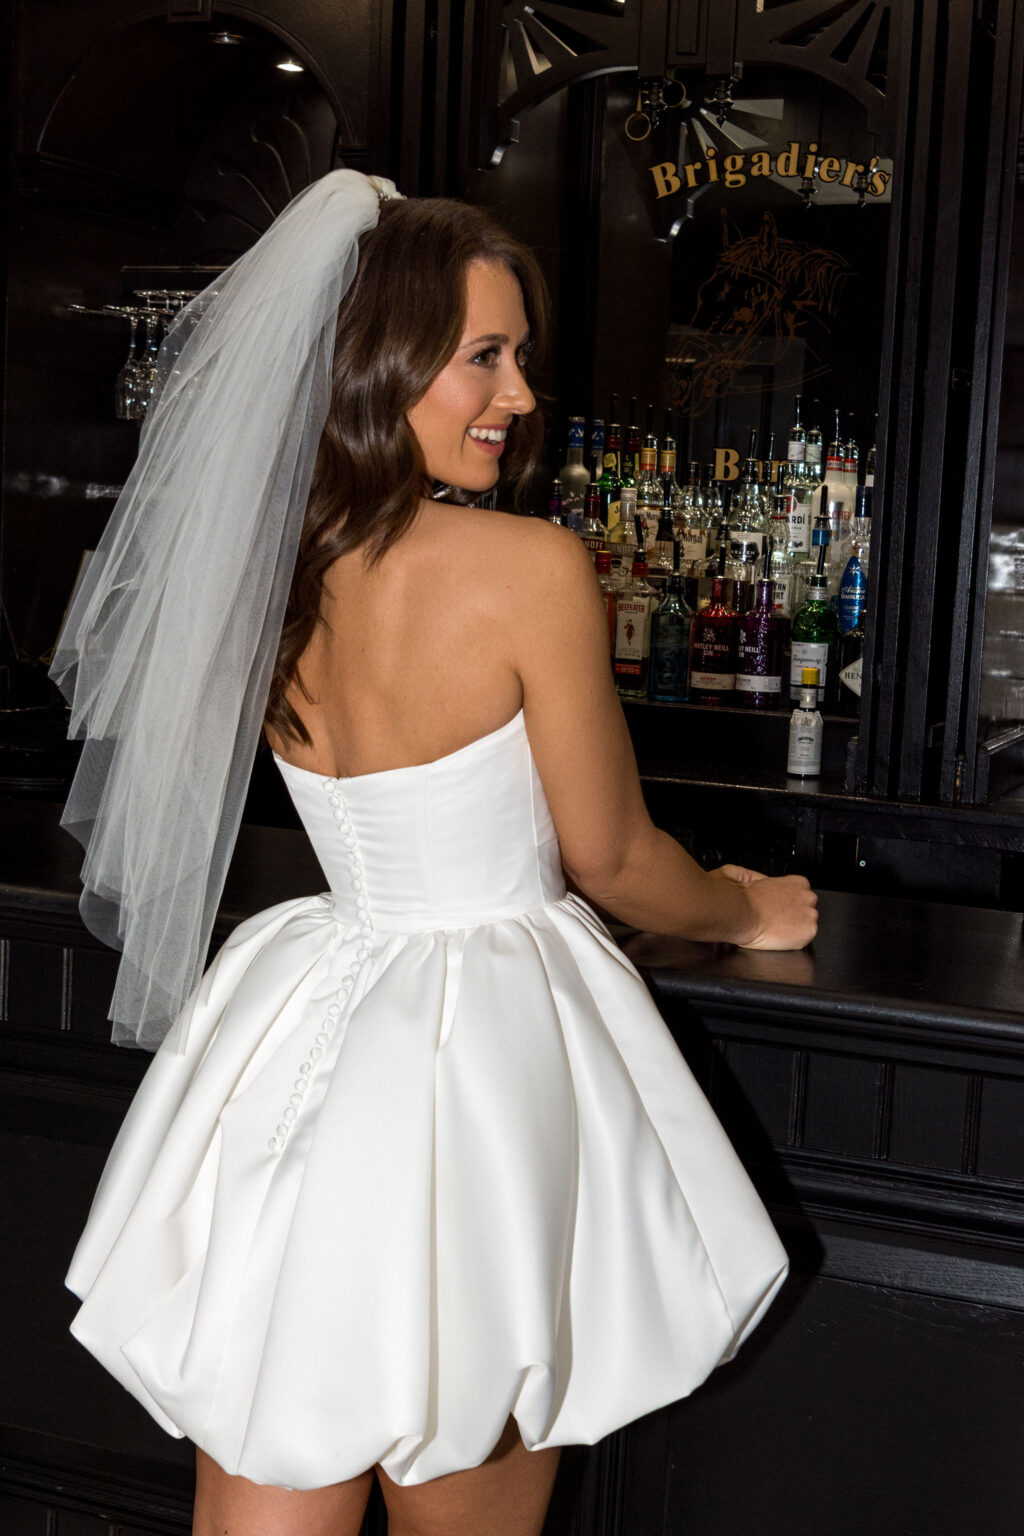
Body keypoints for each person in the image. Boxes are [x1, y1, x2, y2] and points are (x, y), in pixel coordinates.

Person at [51, 171, 817, 1536]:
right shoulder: (529, 567)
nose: (518, 394)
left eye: (517, 357)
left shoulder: (268, 570)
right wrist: (746, 912)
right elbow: (615, 859)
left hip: (302, 1034)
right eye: (484, 356)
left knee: (271, 1440)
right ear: (380, 363)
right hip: (477, 1071)